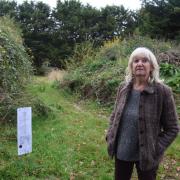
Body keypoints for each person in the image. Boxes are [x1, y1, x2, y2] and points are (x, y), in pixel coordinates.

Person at [106, 47, 179, 180]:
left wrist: (156, 148)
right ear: (131, 66)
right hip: (122, 150)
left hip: (147, 156)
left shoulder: (163, 92)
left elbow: (173, 128)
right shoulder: (123, 88)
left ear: (151, 66)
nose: (140, 63)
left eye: (145, 60)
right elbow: (114, 115)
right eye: (136, 61)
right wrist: (110, 135)